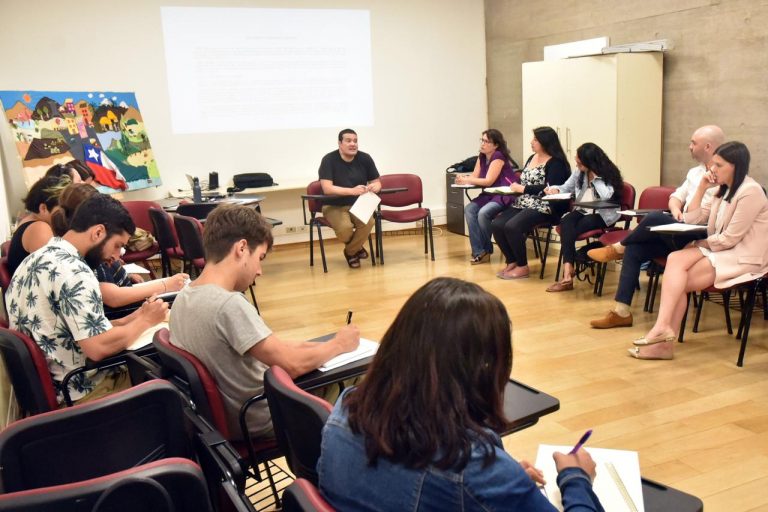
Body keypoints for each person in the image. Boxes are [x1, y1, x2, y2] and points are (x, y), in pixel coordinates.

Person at [318, 277, 603, 511]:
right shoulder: (474, 468)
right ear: (485, 367)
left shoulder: (348, 405)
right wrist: (575, 477)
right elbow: (462, 478)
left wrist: (506, 486)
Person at [169, 204, 360, 439]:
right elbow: (292, 365)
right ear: (241, 248)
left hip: (217, 422)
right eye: (259, 258)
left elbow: (273, 347)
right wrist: (340, 345)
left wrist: (321, 345)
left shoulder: (184, 297)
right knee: (360, 377)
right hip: (263, 416)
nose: (259, 271)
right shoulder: (228, 305)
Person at [5, 193, 168, 403]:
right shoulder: (75, 273)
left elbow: (77, 329)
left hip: (53, 385)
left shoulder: (35, 259)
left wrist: (134, 317)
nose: (117, 255)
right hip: (83, 391)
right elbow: (98, 348)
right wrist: (146, 321)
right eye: (117, 245)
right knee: (168, 379)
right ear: (98, 232)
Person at [629, 141, 768, 359]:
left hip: (744, 256)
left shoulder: (751, 192)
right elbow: (691, 218)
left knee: (678, 282)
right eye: (713, 164)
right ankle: (663, 331)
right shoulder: (721, 191)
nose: (712, 169)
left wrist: (699, 244)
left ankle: (663, 341)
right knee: (675, 259)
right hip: (722, 250)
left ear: (735, 166)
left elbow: (730, 238)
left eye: (719, 165)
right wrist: (702, 187)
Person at [588, 125, 726, 328]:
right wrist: (676, 209)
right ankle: (621, 312)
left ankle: (617, 248)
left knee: (653, 217)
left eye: (693, 143)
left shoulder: (723, 176)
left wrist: (686, 215)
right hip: (680, 226)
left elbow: (707, 218)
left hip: (700, 234)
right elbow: (676, 196)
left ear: (707, 146)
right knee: (634, 249)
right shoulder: (694, 172)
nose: (689, 146)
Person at [48, 183, 189, 311]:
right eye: (117, 245)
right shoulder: (87, 258)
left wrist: (127, 276)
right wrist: (165, 285)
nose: (117, 255)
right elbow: (112, 298)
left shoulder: (72, 251)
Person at [491, 126, 570, 279]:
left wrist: (523, 188)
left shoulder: (556, 163)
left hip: (544, 205)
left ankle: (522, 266)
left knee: (512, 226)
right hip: (524, 201)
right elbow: (524, 181)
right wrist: (516, 186)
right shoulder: (531, 158)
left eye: (535, 139)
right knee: (497, 224)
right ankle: (512, 261)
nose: (532, 142)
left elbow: (551, 188)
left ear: (545, 142)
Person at [543, 143, 624, 292]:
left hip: (603, 214)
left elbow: (607, 196)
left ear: (590, 163)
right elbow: (565, 187)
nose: (577, 165)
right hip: (583, 209)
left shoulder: (608, 173)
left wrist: (595, 178)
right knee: (566, 221)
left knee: (569, 230)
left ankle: (569, 271)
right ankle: (570, 267)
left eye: (580, 163)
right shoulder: (579, 172)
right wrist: (555, 189)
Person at [318, 128, 381, 268]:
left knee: (369, 222)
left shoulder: (365, 158)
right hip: (333, 204)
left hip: (358, 203)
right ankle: (356, 249)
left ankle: (350, 251)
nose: (353, 144)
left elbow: (377, 182)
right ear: (340, 143)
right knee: (345, 228)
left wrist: (376, 186)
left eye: (355, 141)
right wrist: (352, 191)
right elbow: (327, 188)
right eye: (348, 141)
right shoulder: (328, 160)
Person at [455, 129, 520, 264]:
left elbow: (488, 181)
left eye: (486, 141)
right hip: (489, 194)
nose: (483, 144)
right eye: (482, 140)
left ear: (496, 145)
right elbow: (475, 176)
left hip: (504, 194)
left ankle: (486, 250)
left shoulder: (498, 156)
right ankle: (479, 251)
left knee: (483, 213)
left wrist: (468, 180)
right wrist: (463, 179)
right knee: (469, 209)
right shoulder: (482, 156)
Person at [6, 175, 69, 277]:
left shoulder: (30, 219)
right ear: (43, 208)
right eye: (63, 209)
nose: (67, 213)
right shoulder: (39, 228)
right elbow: (53, 273)